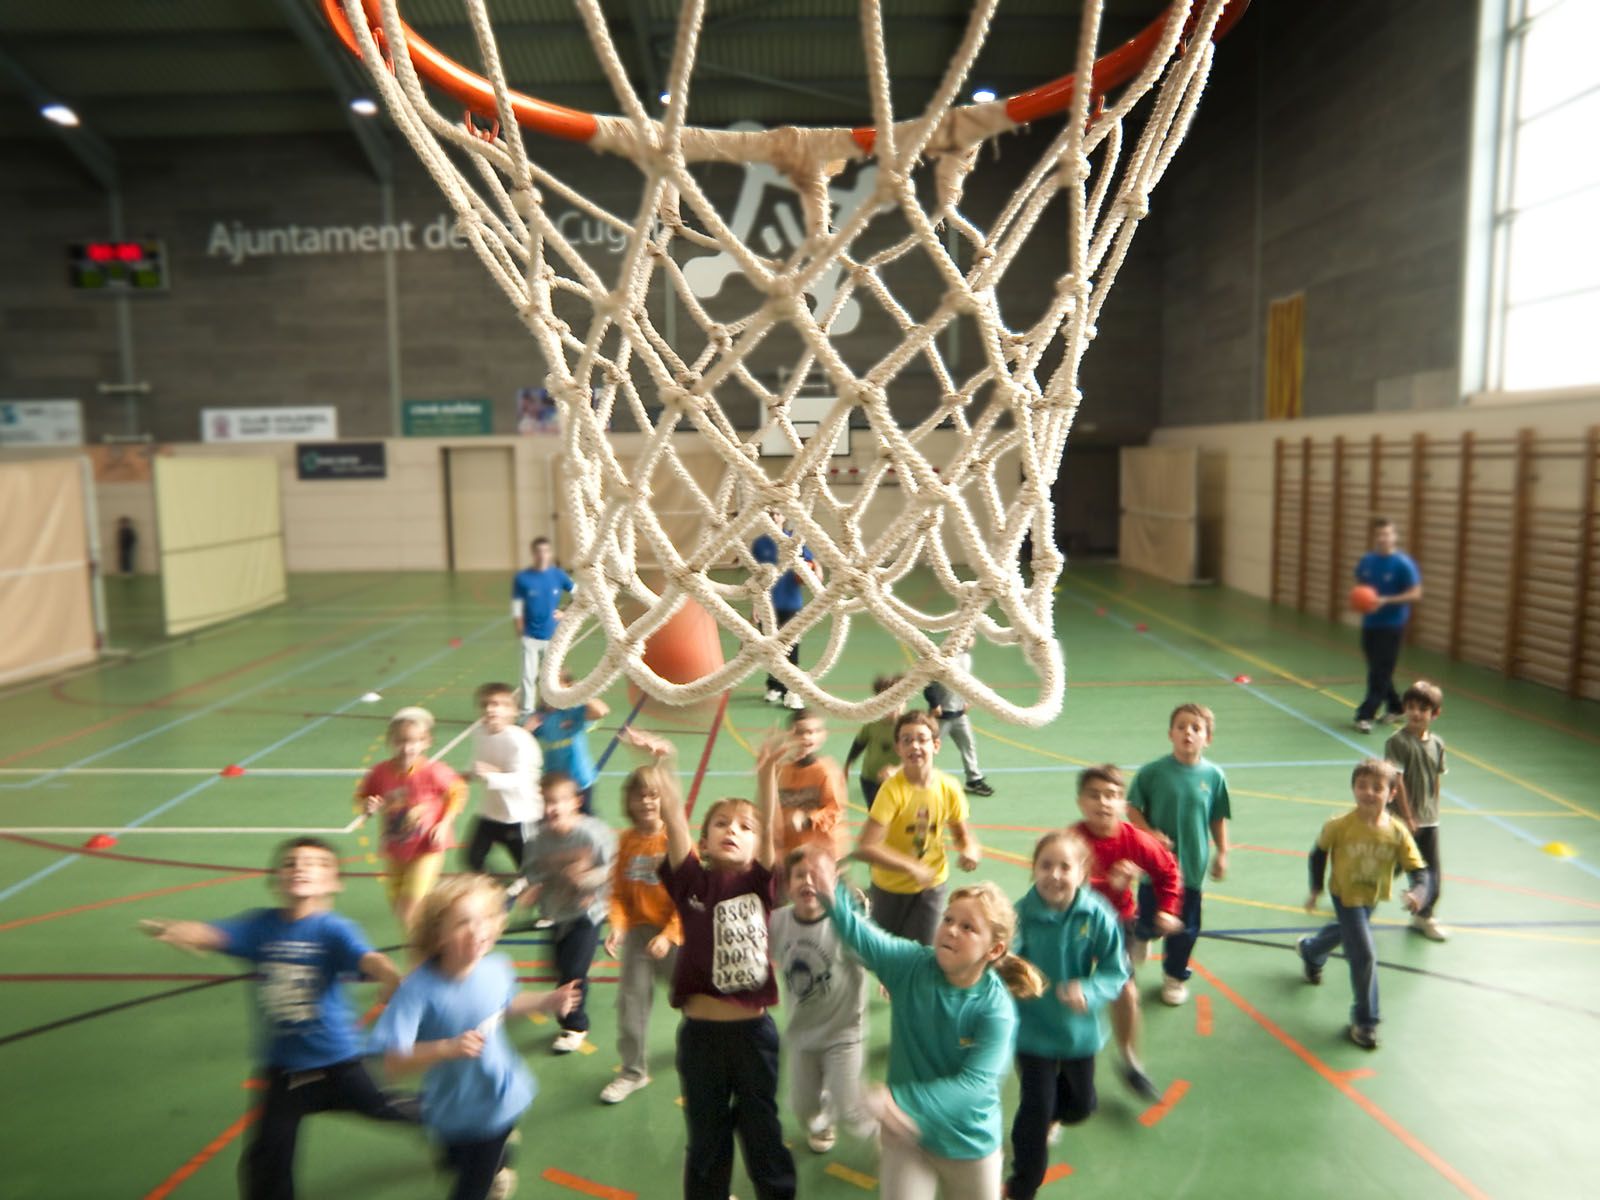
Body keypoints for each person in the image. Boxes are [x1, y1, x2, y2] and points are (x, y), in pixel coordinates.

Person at [140, 838, 417, 1200]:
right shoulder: (260, 927)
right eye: (290, 863)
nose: (300, 868)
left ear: (335, 882)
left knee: (389, 1109)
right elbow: (217, 934)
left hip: (337, 1064)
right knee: (267, 1161)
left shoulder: (334, 930)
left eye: (315, 863)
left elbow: (367, 959)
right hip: (283, 1072)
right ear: (276, 879)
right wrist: (186, 931)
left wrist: (391, 976)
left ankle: (477, 1130)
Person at [806, 853, 1045, 1199]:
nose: (951, 929)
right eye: (949, 919)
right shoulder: (912, 966)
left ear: (993, 950)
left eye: (967, 927)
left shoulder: (995, 1009)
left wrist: (901, 1102)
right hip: (907, 1138)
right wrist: (832, 894)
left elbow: (975, 1084)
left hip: (968, 1145)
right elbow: (864, 937)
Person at [370, 874, 581, 1200]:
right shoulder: (416, 991)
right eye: (462, 923)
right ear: (436, 936)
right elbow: (394, 1063)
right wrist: (445, 1048)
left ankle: (498, 1162)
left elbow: (506, 1005)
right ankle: (496, 1159)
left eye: (486, 919)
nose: (478, 929)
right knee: (453, 1159)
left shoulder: (496, 967)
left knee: (471, 1186)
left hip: (499, 1095)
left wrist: (546, 1001)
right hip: (450, 1104)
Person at [656, 733, 797, 1200]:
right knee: (707, 1136)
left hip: (753, 1038)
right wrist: (666, 761)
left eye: (743, 826)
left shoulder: (760, 883)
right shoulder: (691, 882)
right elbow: (674, 820)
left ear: (756, 844)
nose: (731, 830)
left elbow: (773, 832)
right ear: (706, 838)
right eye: (721, 823)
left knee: (763, 1131)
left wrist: (766, 775)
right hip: (701, 1039)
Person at [1006, 831, 1128, 1200]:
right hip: (1032, 1031)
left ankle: (1054, 1116)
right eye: (1045, 865)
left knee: (1081, 1106)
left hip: (1078, 1032)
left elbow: (1115, 970)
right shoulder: (1021, 916)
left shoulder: (1097, 914)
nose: (1055, 875)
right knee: (1035, 1108)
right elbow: (1003, 958)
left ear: (1083, 873)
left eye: (1065, 867)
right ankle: (1021, 1185)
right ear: (1033, 870)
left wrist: (1088, 990)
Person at [1069, 763, 1182, 1101]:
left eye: (1112, 796)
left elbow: (1167, 871)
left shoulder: (1136, 840)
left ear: (1122, 804)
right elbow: (1059, 884)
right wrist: (1106, 884)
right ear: (1080, 802)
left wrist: (1165, 909)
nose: (1104, 802)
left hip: (1118, 925)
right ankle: (1060, 1076)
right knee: (1068, 997)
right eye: (1095, 795)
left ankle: (1130, 1060)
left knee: (1126, 993)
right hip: (1073, 924)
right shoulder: (1071, 841)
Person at [1297, 758, 1428, 1050]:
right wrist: (1316, 887)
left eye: (1377, 787)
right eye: (1362, 786)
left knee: (1346, 932)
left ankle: (1311, 951)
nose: (1369, 792)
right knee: (1364, 954)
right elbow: (1317, 854)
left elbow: (1420, 871)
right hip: (1344, 895)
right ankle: (1366, 1021)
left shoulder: (1397, 832)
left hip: (1371, 897)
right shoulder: (1339, 826)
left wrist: (1418, 893)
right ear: (1353, 789)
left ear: (1391, 794)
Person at [1126, 703, 1231, 1007]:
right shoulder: (1152, 773)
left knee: (1185, 927)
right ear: (1170, 733)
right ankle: (1143, 936)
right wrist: (1149, 833)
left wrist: (1223, 852)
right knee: (1148, 913)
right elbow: (1132, 807)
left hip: (1192, 867)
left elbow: (1217, 818)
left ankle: (1174, 977)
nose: (1188, 732)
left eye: (1196, 728)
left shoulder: (1213, 776)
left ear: (1207, 738)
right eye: (1182, 726)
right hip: (1155, 866)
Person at [599, 731, 683, 1104]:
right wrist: (617, 925)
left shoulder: (674, 841)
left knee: (694, 1002)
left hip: (675, 937)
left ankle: (705, 1049)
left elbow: (689, 896)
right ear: (629, 802)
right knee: (631, 1005)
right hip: (637, 934)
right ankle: (633, 1072)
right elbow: (617, 892)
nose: (648, 801)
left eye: (654, 794)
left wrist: (669, 934)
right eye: (640, 795)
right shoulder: (626, 841)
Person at [770, 846, 870, 1154]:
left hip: (843, 1033)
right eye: (800, 875)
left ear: (834, 883)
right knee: (803, 1107)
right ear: (788, 885)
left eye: (818, 876)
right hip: (802, 1033)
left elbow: (873, 952)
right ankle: (822, 1120)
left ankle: (890, 1135)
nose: (808, 882)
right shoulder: (777, 922)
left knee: (851, 1108)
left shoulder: (845, 925)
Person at [854, 711, 981, 947]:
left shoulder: (949, 787)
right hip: (889, 887)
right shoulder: (892, 791)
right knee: (888, 959)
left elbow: (963, 835)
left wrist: (969, 850)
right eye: (907, 740)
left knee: (922, 954)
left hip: (931, 885)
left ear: (936, 745)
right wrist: (911, 866)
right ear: (898, 749)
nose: (915, 745)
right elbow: (865, 846)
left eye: (922, 739)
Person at [515, 772, 615, 1054]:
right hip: (557, 912)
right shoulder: (538, 839)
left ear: (576, 802)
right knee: (558, 969)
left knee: (572, 972)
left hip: (588, 913)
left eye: (560, 801)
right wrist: (533, 886)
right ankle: (571, 994)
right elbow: (532, 870)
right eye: (547, 802)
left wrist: (586, 880)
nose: (552, 808)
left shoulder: (592, 834)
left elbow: (614, 870)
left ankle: (574, 1025)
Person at [357, 707, 467, 932]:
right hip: (395, 849)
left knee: (409, 912)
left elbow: (458, 791)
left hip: (426, 848)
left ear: (426, 742)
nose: (408, 748)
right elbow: (363, 798)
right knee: (401, 909)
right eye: (401, 741)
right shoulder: (380, 773)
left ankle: (424, 952)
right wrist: (367, 807)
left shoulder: (434, 771)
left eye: (415, 741)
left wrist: (444, 823)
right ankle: (436, 925)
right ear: (391, 742)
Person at [1383, 680, 1448, 941]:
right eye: (1410, 707)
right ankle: (1354, 896)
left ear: (1435, 713)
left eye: (1423, 708)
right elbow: (1397, 781)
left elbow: (1436, 777)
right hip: (1402, 819)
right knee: (1388, 867)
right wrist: (1408, 817)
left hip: (1429, 820)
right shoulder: (1397, 742)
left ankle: (1423, 916)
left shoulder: (1437, 744)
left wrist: (1434, 809)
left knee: (1431, 871)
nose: (1415, 713)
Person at [1353, 516, 1423, 733]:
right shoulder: (1367, 561)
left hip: (1392, 625)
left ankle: (1365, 715)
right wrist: (1362, 600)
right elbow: (1361, 587)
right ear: (1375, 537)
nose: (1384, 538)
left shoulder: (1403, 564)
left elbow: (1415, 593)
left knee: (1379, 671)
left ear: (1394, 536)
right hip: (1370, 624)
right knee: (1379, 669)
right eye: (1379, 535)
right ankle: (1396, 706)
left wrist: (1386, 600)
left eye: (1388, 534)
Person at [465, 682, 542, 875]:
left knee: (528, 869)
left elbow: (522, 779)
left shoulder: (520, 740)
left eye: (499, 704)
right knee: (473, 859)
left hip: (519, 816)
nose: (491, 709)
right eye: (486, 705)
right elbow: (477, 762)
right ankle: (494, 890)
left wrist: (491, 775)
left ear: (513, 711)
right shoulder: (480, 733)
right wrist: (464, 775)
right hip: (491, 813)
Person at [752, 511, 817, 710]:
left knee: (791, 650)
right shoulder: (759, 544)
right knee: (771, 650)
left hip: (791, 604)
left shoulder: (794, 541)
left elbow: (814, 568)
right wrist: (755, 603)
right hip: (767, 604)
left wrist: (813, 574)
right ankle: (774, 687)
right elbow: (756, 576)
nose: (774, 517)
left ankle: (792, 691)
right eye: (770, 514)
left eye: (777, 514)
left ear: (783, 518)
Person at [525, 670, 608, 815]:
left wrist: (579, 692)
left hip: (580, 779)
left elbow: (601, 711)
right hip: (554, 780)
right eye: (544, 688)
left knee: (585, 818)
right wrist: (527, 729)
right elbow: (521, 740)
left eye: (554, 688)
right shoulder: (540, 716)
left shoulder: (574, 710)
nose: (549, 693)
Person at [774, 707, 848, 861]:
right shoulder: (780, 770)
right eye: (800, 732)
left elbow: (835, 810)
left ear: (823, 735)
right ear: (789, 736)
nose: (807, 737)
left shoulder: (827, 771)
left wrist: (807, 819)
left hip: (822, 852)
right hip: (790, 851)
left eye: (814, 731)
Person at [510, 537, 573, 713]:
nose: (542, 555)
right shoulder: (522, 578)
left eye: (545, 551)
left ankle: (555, 706)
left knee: (553, 675)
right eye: (538, 551)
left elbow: (579, 595)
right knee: (528, 676)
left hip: (552, 636)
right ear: (533, 553)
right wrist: (519, 628)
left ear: (550, 553)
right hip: (530, 636)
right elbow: (517, 605)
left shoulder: (558, 576)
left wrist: (565, 613)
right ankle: (527, 711)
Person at [923, 651, 993, 797]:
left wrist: (969, 700)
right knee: (928, 747)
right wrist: (935, 704)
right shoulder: (943, 658)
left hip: (960, 715)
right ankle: (919, 777)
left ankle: (973, 779)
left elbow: (968, 683)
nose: (971, 639)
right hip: (941, 717)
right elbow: (928, 684)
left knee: (968, 744)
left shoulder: (966, 658)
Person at [844, 674, 904, 806]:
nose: (891, 706)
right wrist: (848, 764)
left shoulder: (907, 727)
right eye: (885, 701)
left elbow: (914, 758)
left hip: (898, 780)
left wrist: (896, 770)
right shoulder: (873, 722)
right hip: (869, 779)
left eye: (897, 700)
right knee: (876, 814)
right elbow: (860, 743)